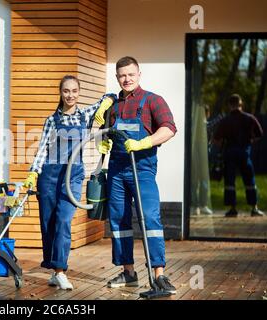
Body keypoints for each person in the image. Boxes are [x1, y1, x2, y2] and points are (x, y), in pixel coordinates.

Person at [23, 75, 114, 290]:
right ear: (60, 93)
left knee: (64, 220)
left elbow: (108, 96)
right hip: (50, 176)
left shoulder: (85, 114)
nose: (70, 95)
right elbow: (43, 149)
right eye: (66, 91)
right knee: (49, 223)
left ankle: (61, 270)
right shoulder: (52, 120)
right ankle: (55, 270)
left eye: (74, 91)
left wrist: (103, 108)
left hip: (73, 176)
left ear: (79, 92)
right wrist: (33, 173)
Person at [94, 56, 177, 293]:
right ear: (117, 77)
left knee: (150, 219)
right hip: (118, 170)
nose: (126, 79)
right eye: (122, 75)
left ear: (139, 74)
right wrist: (103, 142)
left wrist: (145, 143)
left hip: (142, 168)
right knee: (119, 220)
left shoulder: (153, 100)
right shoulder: (112, 105)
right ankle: (128, 272)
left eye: (131, 74)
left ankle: (159, 274)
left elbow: (169, 128)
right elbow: (104, 132)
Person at [213, 94, 264, 217]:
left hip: (230, 152)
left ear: (229, 105)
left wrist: (221, 148)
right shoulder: (249, 118)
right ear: (241, 104)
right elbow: (259, 134)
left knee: (230, 181)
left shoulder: (225, 120)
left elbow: (216, 139)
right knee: (249, 180)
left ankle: (232, 209)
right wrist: (250, 141)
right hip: (244, 152)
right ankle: (254, 208)